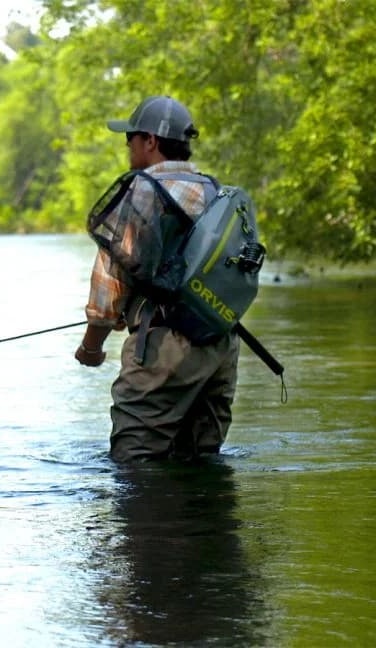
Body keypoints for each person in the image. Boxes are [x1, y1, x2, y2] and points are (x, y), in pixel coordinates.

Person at [75, 95, 240, 463]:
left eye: (130, 139)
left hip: (163, 348)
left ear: (150, 141)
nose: (127, 147)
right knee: (199, 462)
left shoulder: (140, 193)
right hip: (221, 345)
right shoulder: (215, 191)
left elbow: (109, 286)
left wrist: (91, 348)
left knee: (135, 465)